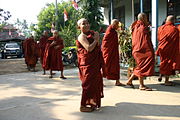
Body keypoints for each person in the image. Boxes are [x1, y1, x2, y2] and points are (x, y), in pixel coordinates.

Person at [76, 18, 104, 112]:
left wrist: (96, 39)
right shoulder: (81, 36)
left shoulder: (91, 35)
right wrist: (96, 39)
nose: (87, 25)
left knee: (95, 83)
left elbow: (97, 47)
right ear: (79, 27)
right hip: (86, 63)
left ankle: (92, 102)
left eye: (88, 23)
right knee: (87, 84)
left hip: (94, 63)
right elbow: (89, 48)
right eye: (84, 24)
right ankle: (82, 105)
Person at [126, 13, 155, 91]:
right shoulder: (142, 27)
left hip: (136, 50)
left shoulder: (135, 26)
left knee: (140, 66)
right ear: (143, 18)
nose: (147, 20)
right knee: (142, 66)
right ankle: (141, 85)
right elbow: (145, 41)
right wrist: (151, 51)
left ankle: (129, 81)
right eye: (146, 18)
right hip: (142, 51)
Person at [156, 15, 180, 86]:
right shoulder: (174, 29)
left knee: (163, 62)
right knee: (168, 63)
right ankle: (166, 81)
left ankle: (160, 75)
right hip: (169, 49)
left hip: (161, 48)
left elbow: (159, 38)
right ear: (173, 21)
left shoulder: (160, 28)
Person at [101, 19, 125, 86]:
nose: (118, 26)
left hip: (114, 52)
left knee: (116, 66)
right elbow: (105, 42)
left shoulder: (114, 31)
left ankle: (117, 81)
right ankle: (100, 81)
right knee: (106, 66)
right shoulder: (109, 31)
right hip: (108, 52)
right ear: (113, 24)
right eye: (117, 24)